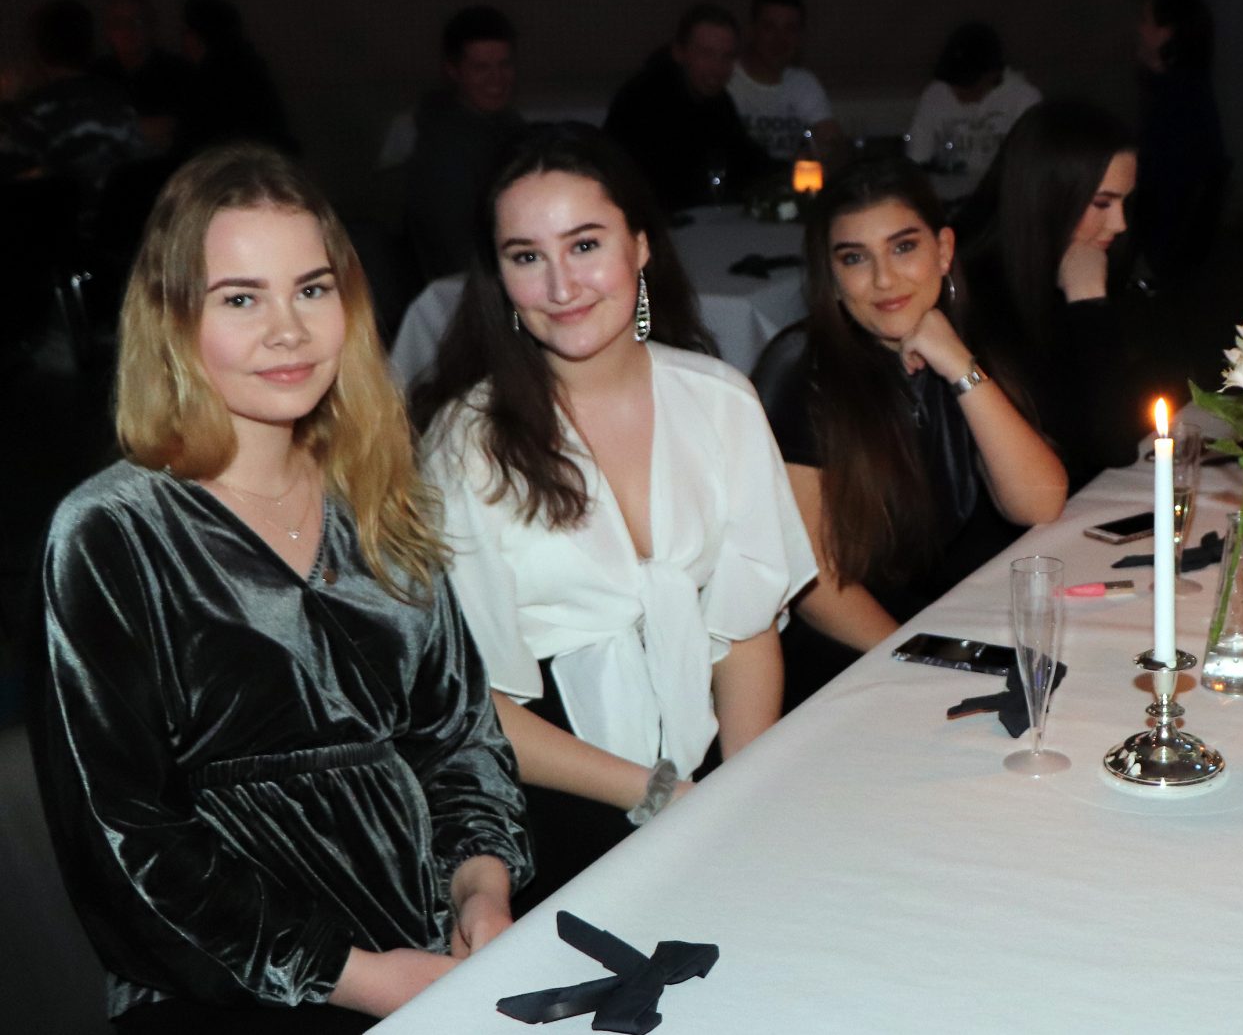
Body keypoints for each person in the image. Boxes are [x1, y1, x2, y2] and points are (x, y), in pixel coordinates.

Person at [33, 143, 530, 1033]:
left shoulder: (379, 494)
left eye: (311, 288)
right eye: (240, 298)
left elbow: (459, 742)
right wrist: (359, 978)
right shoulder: (111, 533)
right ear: (172, 319)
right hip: (225, 980)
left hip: (424, 944)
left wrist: (481, 890)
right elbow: (125, 839)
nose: (288, 330)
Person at [415, 123, 813, 904]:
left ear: (640, 245)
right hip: (550, 802)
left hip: (711, 774)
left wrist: (744, 793)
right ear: (500, 276)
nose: (561, 286)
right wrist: (661, 794)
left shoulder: (722, 402)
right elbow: (474, 707)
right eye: (526, 256)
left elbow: (746, 631)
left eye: (585, 245)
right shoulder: (466, 446)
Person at [751, 157, 1067, 706]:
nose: (884, 279)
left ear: (943, 250)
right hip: (849, 659)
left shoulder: (961, 338)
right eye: (855, 258)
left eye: (903, 248)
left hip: (945, 630)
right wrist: (921, 658)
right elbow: (815, 585)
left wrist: (960, 366)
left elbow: (1038, 502)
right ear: (831, 274)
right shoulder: (800, 369)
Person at [950, 99, 1151, 486]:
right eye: (1102, 203)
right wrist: (1088, 304)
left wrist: (1088, 301)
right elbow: (1108, 444)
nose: (1120, 223)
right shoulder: (977, 293)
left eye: (1125, 202)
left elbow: (1123, 436)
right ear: (1050, 196)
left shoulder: (1085, 263)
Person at [603, 3, 775, 211]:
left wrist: (789, 173)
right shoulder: (642, 102)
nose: (718, 67)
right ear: (679, 53)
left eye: (727, 56)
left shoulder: (717, 101)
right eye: (707, 54)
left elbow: (744, 158)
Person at [406, 5, 525, 280]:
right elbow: (455, 254)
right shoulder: (443, 151)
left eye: (504, 64)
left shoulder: (508, 123)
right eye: (481, 68)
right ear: (453, 71)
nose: (496, 79)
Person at [1, 0, 144, 204]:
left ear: (39, 50)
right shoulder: (116, 96)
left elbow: (11, 180)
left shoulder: (35, 111)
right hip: (124, 214)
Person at [1131, 0, 1229, 283]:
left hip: (1159, 256)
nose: (1138, 29)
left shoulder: (1177, 104)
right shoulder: (1184, 92)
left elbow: (1166, 193)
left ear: (1167, 33)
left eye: (1145, 20)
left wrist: (1147, 260)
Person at [903, 22, 1042, 185]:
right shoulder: (936, 94)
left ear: (992, 74)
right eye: (954, 81)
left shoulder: (1023, 98)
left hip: (1003, 190)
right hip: (948, 190)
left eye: (967, 83)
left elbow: (1035, 164)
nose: (958, 91)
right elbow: (917, 158)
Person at [176, 0, 298, 157]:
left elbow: (199, 139)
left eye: (186, 31)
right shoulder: (246, 68)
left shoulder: (217, 80)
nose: (181, 39)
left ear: (200, 34)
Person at [727, 0, 839, 163]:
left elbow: (832, 143)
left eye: (790, 29)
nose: (780, 39)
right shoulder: (726, 78)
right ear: (752, 31)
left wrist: (825, 151)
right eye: (769, 28)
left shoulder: (803, 83)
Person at [90, 0, 194, 151]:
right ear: (107, 31)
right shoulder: (96, 74)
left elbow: (176, 127)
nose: (128, 29)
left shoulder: (177, 71)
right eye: (118, 23)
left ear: (152, 27)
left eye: (137, 21)